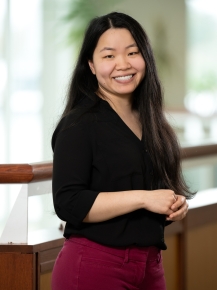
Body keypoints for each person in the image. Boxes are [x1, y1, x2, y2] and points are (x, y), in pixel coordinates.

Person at [51, 11, 194, 290]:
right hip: (94, 265)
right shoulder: (79, 123)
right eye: (108, 56)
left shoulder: (150, 120)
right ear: (91, 65)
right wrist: (144, 199)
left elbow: (150, 185)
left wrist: (173, 203)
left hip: (149, 266)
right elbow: (68, 202)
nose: (123, 64)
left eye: (132, 52)